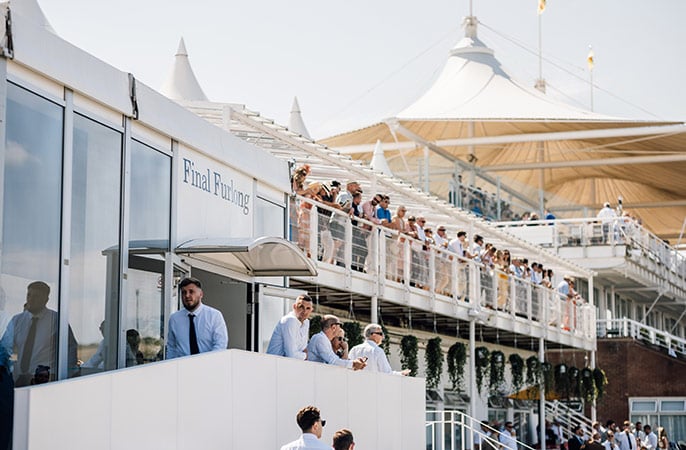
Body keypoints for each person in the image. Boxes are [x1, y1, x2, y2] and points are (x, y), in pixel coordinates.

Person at [2, 281, 77, 387]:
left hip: (46, 381)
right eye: (29, 295)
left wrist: (63, 377)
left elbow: (71, 349)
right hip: (19, 379)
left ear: (46, 300)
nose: (30, 299)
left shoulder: (56, 320)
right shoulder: (17, 320)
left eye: (36, 296)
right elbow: (5, 348)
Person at [166, 277, 228, 359]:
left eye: (191, 292)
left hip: (209, 363)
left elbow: (220, 345)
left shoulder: (214, 316)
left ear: (201, 294)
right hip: (183, 365)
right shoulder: (174, 319)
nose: (187, 295)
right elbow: (171, 348)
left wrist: (208, 363)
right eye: (184, 292)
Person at [267, 294, 313, 360]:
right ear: (294, 307)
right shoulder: (290, 320)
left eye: (308, 308)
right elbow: (291, 355)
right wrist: (306, 356)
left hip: (287, 363)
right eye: (301, 307)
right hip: (273, 363)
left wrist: (304, 354)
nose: (304, 311)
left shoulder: (306, 322)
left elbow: (303, 349)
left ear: (311, 310)